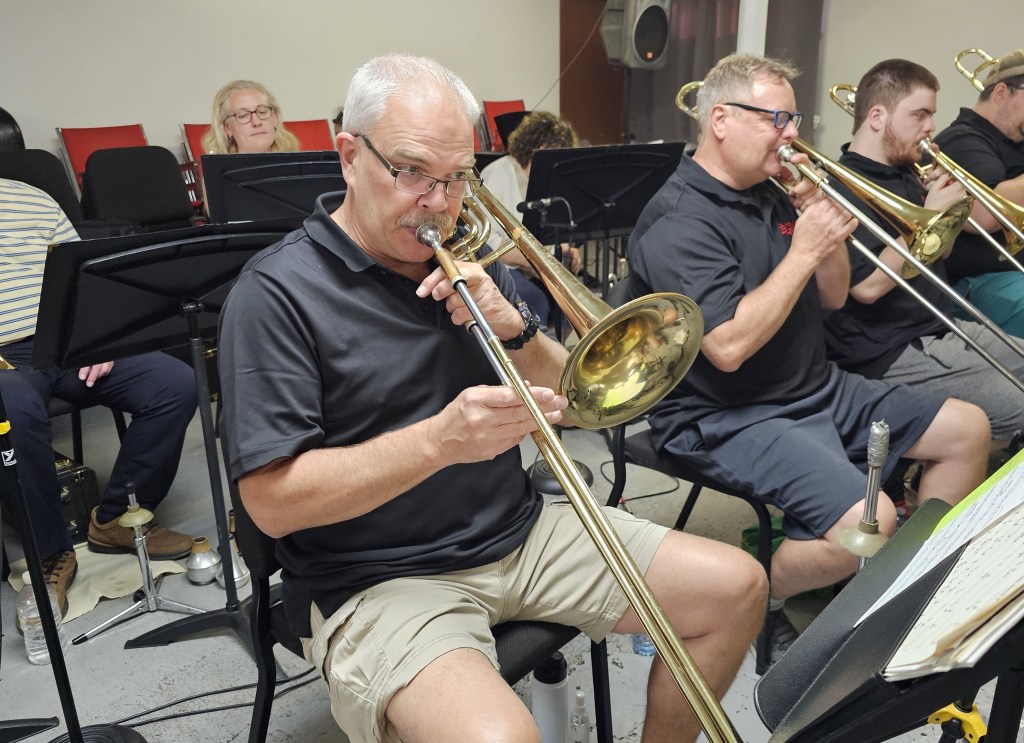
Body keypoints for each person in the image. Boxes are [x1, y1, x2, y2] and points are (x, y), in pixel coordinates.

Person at [219, 53, 767, 743]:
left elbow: (576, 400)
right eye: (412, 171)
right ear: (350, 157)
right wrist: (438, 442)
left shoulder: (466, 257)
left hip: (519, 530)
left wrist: (517, 328)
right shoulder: (276, 294)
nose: (438, 202)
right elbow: (270, 503)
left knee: (738, 588)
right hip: (376, 576)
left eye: (457, 177)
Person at [626, 54, 990, 664]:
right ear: (721, 120)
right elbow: (728, 348)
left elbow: (835, 295)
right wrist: (803, 251)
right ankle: (750, 594)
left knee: (967, 430)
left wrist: (823, 226)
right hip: (727, 413)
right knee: (868, 526)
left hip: (813, 386)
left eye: (794, 119)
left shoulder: (770, 191)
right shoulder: (679, 220)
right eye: (777, 119)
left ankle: (905, 591)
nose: (792, 134)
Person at [0, 178, 198, 614]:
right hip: (4, 359)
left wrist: (98, 337)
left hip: (67, 342)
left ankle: (117, 518)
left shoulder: (31, 197)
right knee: (14, 413)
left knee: (175, 384)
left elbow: (84, 277)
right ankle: (52, 552)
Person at [824, 58, 1024, 453]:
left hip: (938, 326)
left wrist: (948, 211)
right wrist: (928, 216)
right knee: (1017, 409)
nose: (931, 126)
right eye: (920, 115)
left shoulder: (906, 172)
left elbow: (940, 252)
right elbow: (867, 288)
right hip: (887, 348)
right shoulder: (840, 187)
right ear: (877, 117)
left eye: (931, 114)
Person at [932, 49, 1024, 336]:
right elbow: (985, 215)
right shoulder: (962, 139)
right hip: (980, 281)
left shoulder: (1016, 137)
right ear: (1001, 92)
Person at [480, 111, 583, 330]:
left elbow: (534, 236)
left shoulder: (539, 179)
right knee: (535, 301)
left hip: (525, 265)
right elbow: (488, 242)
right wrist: (540, 260)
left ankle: (557, 347)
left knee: (573, 303)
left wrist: (559, 251)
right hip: (497, 266)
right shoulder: (499, 173)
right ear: (543, 148)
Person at [201, 80, 300, 155]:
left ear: (276, 118)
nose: (257, 122)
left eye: (262, 112)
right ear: (227, 128)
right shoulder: (214, 174)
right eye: (243, 115)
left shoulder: (300, 167)